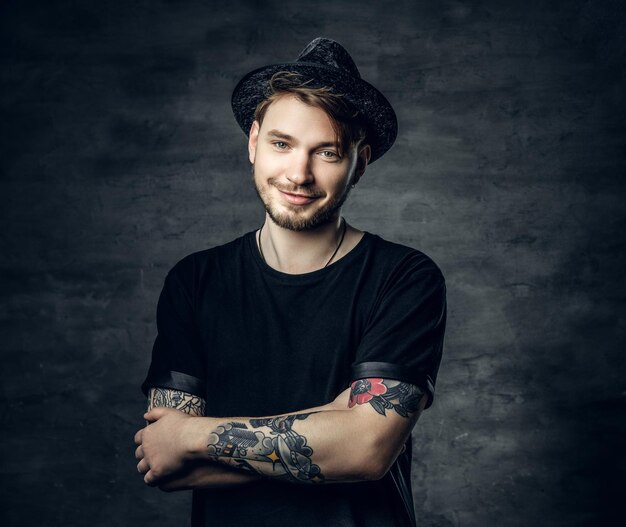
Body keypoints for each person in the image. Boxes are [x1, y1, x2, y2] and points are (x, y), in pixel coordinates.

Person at [134, 37, 446, 527]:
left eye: (327, 152)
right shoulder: (195, 281)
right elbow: (166, 463)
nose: (298, 174)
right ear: (254, 142)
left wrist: (193, 436)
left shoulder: (404, 277)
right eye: (282, 144)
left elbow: (366, 451)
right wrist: (331, 431)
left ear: (359, 163)